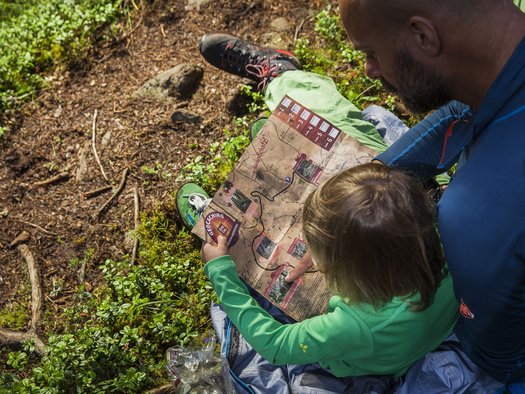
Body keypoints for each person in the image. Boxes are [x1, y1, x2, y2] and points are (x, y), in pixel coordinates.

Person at [176, 163, 458, 382]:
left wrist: (220, 270)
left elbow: (274, 345)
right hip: (420, 335)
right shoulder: (444, 243)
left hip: (372, 362)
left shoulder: (351, 325)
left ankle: (211, 233)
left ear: (349, 268)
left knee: (258, 294)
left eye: (319, 250)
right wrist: (337, 244)